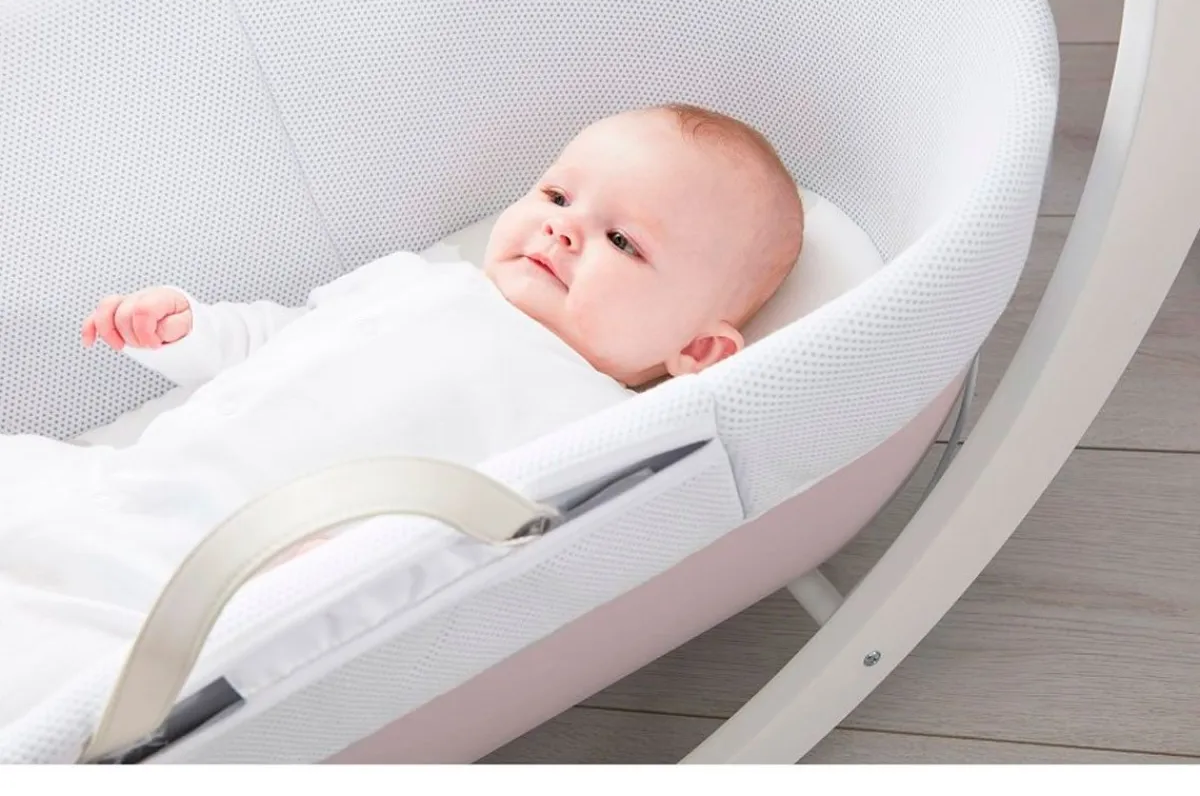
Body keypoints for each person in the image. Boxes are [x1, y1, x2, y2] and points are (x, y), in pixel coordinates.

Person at [0, 103, 803, 728]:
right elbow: (282, 336)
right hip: (118, 484)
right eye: (557, 195)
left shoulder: (595, 422)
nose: (562, 227)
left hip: (211, 583)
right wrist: (188, 332)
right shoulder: (420, 278)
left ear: (697, 350)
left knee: (64, 683)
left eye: (622, 241)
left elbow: (471, 549)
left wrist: (345, 567)